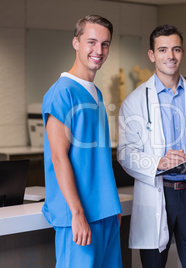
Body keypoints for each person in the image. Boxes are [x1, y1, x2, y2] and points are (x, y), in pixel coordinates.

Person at [117, 24, 186, 268]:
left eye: (176, 49)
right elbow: (126, 154)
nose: (170, 56)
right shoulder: (134, 101)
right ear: (152, 55)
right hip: (157, 190)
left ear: (183, 53)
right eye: (163, 50)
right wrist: (158, 162)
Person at [42, 15, 123, 268]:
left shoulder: (96, 93)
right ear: (76, 43)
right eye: (91, 42)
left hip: (105, 213)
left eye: (105, 44)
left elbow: (97, 158)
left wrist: (112, 206)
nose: (99, 50)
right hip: (78, 216)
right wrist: (77, 213)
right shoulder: (62, 92)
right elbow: (59, 156)